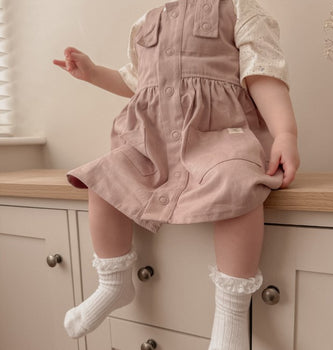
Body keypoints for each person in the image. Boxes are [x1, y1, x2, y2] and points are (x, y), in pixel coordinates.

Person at [53, 0, 300, 348]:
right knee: (105, 175)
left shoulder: (239, 9)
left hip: (217, 139)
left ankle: (231, 311)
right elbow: (135, 80)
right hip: (150, 146)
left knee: (238, 184)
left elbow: (264, 74)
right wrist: (94, 73)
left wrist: (286, 133)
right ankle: (113, 283)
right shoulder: (145, 23)